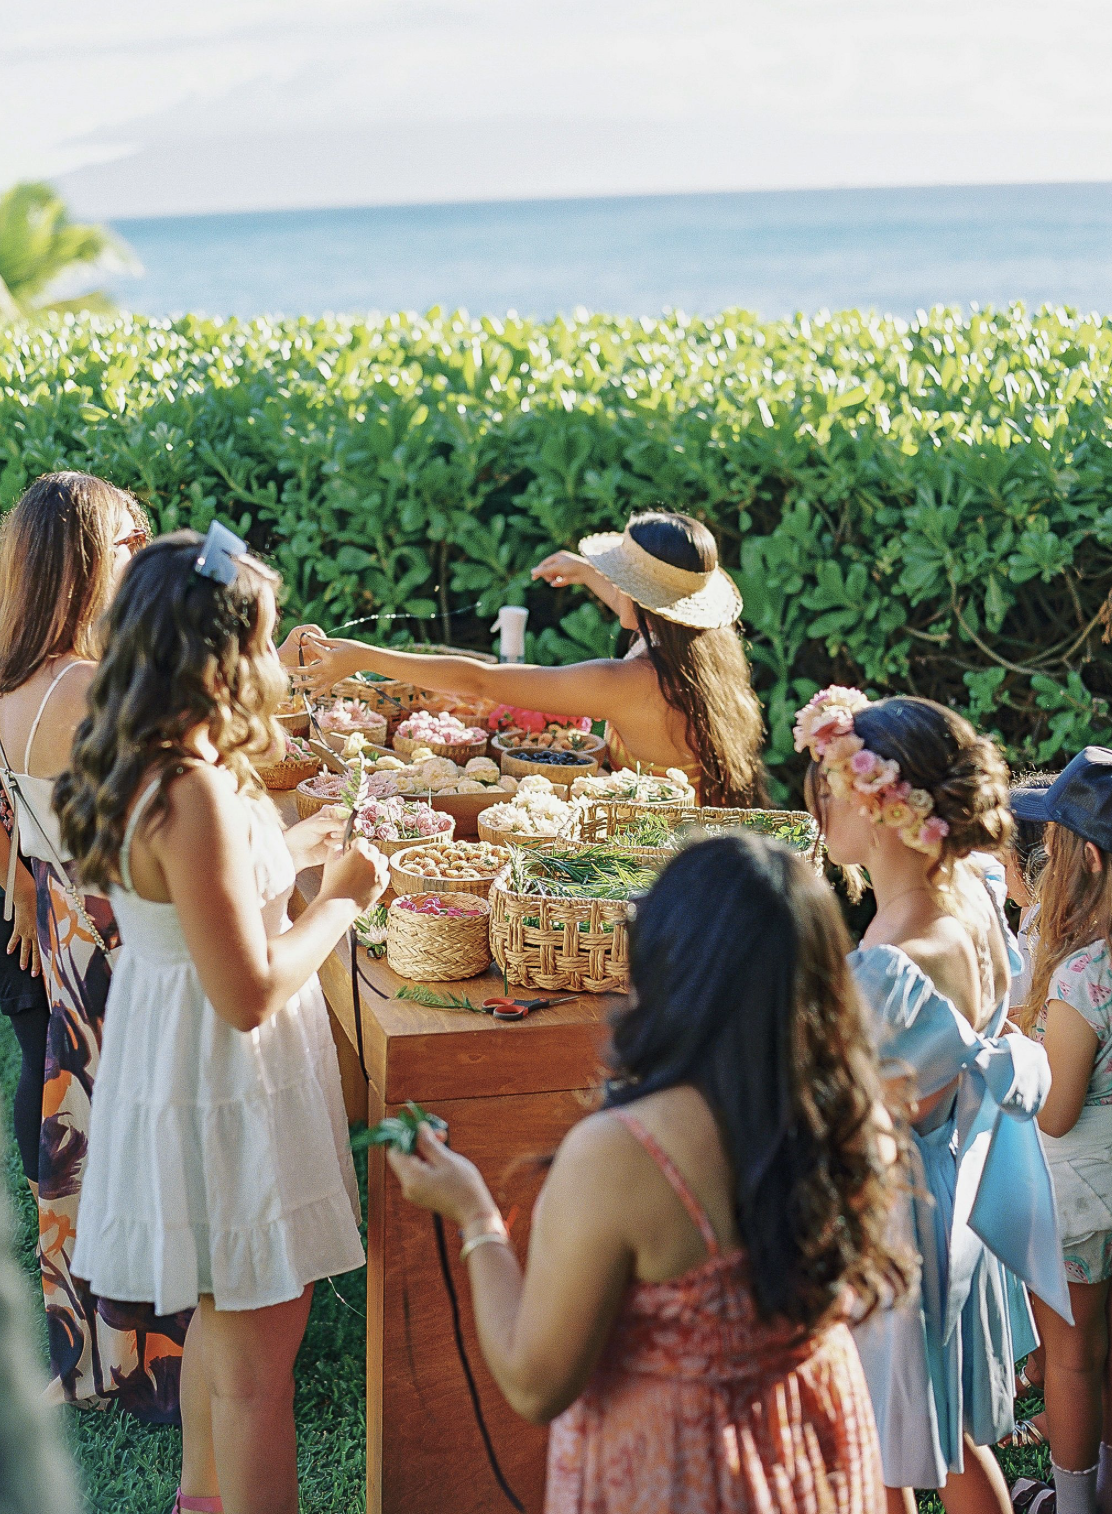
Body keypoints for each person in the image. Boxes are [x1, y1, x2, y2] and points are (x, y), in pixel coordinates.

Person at [388, 831, 905, 1514]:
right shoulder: (857, 1115)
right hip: (811, 1444)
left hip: (688, 1468)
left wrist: (475, 1216)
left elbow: (536, 1384)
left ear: (670, 965)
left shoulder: (624, 1154)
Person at [55, 523, 387, 1514]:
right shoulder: (191, 789)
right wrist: (343, 899)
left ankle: (198, 1498)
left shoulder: (163, 763)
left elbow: (207, 899)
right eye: (266, 637)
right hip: (224, 1085)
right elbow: (247, 992)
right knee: (255, 1372)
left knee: (223, 1322)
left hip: (184, 1069)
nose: (276, 658)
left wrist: (296, 851)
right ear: (220, 656)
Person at [796, 686, 1069, 1514]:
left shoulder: (891, 962)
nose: (815, 808)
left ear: (882, 811)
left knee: (880, 1443)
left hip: (899, 1220)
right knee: (947, 1438)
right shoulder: (972, 895)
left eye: (828, 790)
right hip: (958, 1187)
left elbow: (836, 1113)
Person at [0, 470, 192, 1417]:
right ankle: (152, 1361)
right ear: (83, 565)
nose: (139, 557)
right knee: (142, 1139)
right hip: (118, 932)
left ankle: (95, 1344)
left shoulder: (17, 681)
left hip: (67, 925)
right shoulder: (85, 688)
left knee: (90, 1134)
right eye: (127, 543)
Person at [286, 510, 768, 805]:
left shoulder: (626, 682)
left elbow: (481, 681)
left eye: (620, 579)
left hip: (653, 856)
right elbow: (646, 609)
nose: (613, 585)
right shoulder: (706, 648)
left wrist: (363, 656)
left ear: (640, 596)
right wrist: (588, 573)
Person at [1009, 750, 1112, 1514]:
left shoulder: (1082, 978)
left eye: (1055, 843)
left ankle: (1073, 1505)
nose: (1044, 855)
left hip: (1078, 1201)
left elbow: (1055, 1109)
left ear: (1091, 860)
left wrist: (1019, 1047)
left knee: (1072, 1360)